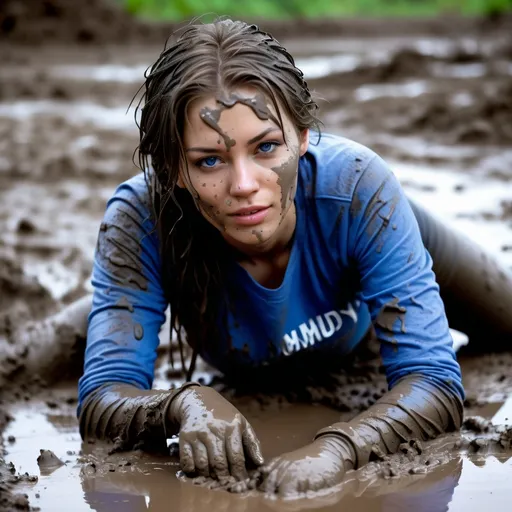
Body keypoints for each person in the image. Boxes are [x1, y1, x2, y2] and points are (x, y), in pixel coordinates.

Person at [77, 18, 465, 497]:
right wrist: (183, 403)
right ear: (175, 168)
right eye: (209, 161)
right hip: (178, 257)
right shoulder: (139, 219)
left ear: (302, 137)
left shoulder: (361, 190)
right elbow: (99, 400)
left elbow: (435, 383)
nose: (244, 185)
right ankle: (102, 305)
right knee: (47, 350)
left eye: (266, 147)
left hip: (376, 230)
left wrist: (340, 449)